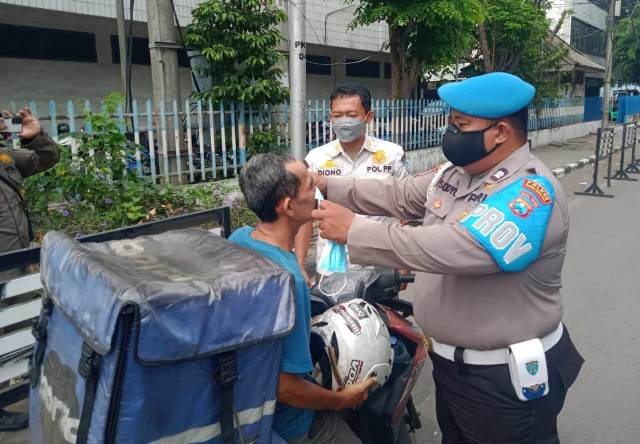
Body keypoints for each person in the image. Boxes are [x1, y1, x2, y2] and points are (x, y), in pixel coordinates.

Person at [311, 72, 584, 444]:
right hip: (452, 369)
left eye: (461, 125)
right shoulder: (455, 173)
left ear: (501, 132)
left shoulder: (530, 192)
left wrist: (355, 231)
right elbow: (399, 194)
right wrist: (327, 184)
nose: (451, 133)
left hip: (502, 377)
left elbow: (456, 246)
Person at [229, 153, 376, 444]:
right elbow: (286, 387)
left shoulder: (239, 239)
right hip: (291, 422)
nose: (317, 192)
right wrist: (343, 399)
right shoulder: (289, 280)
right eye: (310, 186)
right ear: (289, 206)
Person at [294, 84, 408, 286]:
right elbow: (305, 216)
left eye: (351, 114)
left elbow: (405, 209)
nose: (344, 121)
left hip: (381, 260)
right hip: (333, 265)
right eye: (338, 115)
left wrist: (404, 263)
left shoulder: (392, 155)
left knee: (384, 316)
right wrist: (300, 265)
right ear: (330, 117)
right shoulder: (316, 159)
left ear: (368, 116)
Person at [0, 108, 59, 431]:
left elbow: (46, 159)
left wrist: (35, 135)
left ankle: (19, 380)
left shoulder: (7, 158)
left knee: (15, 322)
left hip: (15, 259)